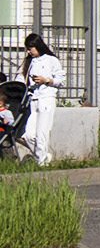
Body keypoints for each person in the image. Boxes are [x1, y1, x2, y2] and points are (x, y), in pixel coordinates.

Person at [21, 33, 63, 166]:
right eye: (27, 49)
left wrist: (46, 80)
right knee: (28, 135)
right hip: (34, 99)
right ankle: (44, 156)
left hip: (46, 99)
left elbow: (60, 80)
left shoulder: (51, 60)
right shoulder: (30, 62)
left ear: (37, 45)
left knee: (41, 134)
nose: (29, 52)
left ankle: (42, 163)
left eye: (30, 48)